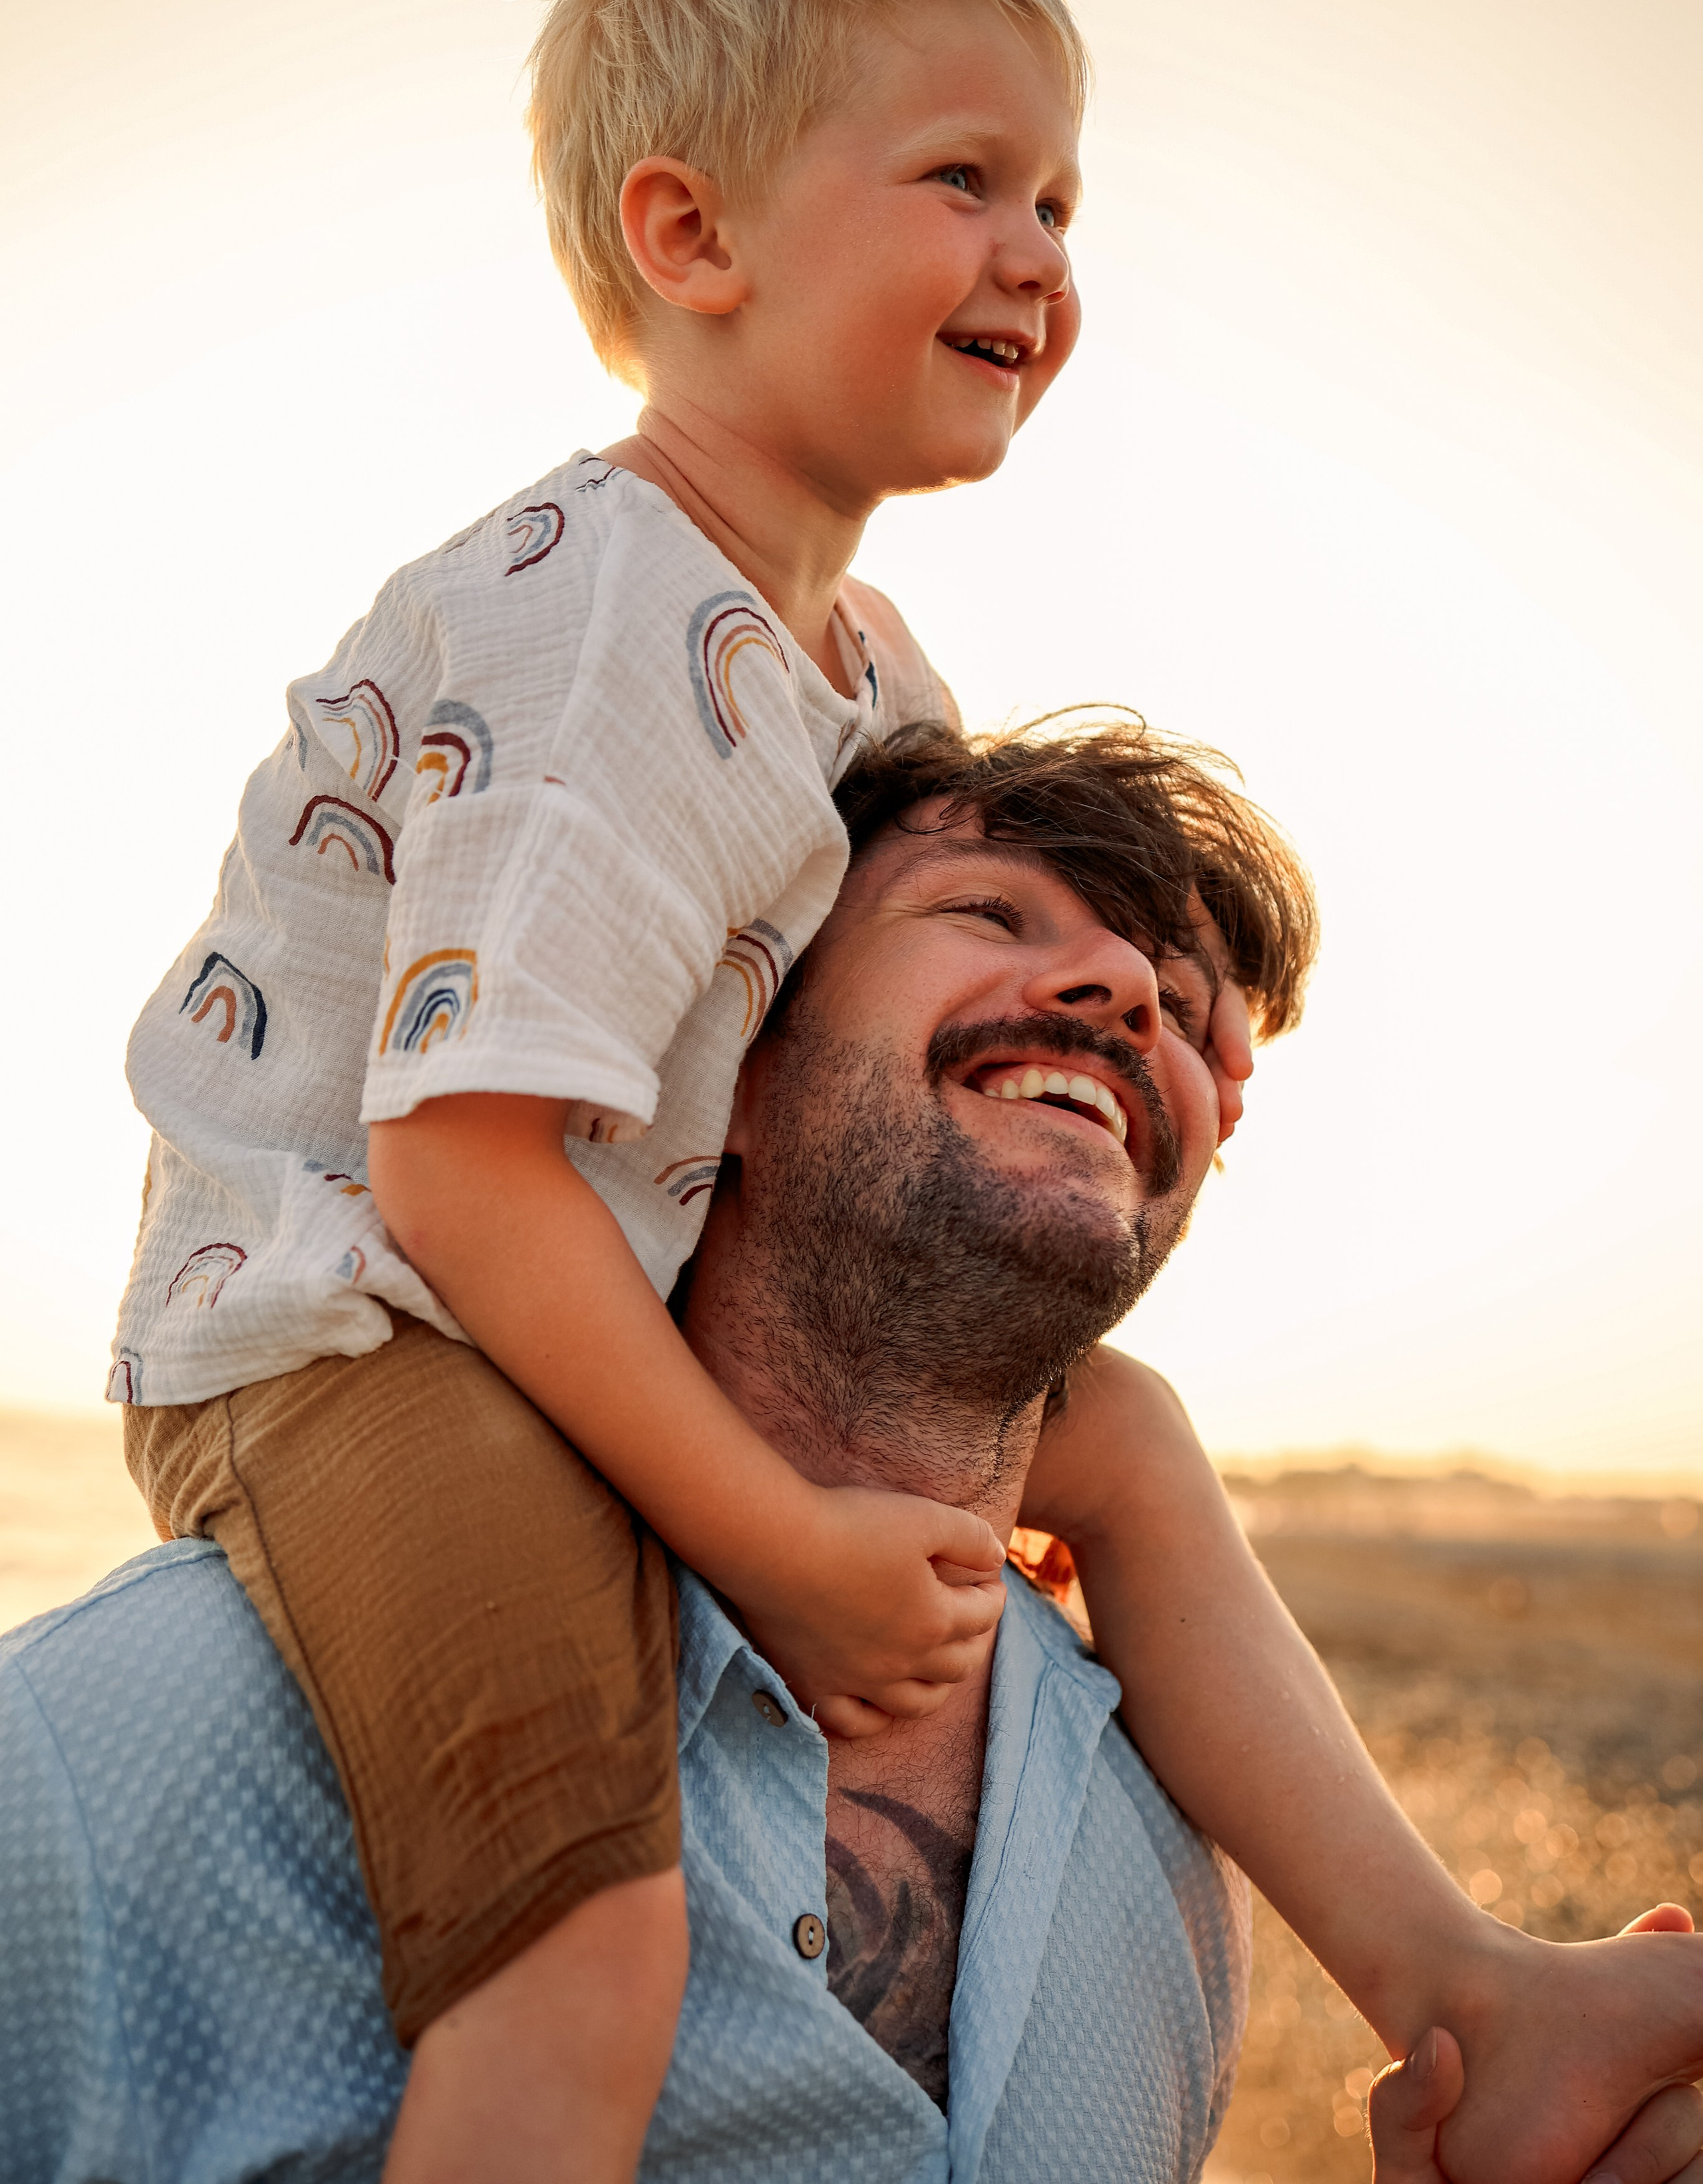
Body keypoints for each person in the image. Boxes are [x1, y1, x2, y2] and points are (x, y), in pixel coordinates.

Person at [11, 718, 1703, 2182]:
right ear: (716, 1073)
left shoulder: (1165, 1849)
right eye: (985, 911)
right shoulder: (129, 1741)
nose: (1127, 995)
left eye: (1185, 1010)